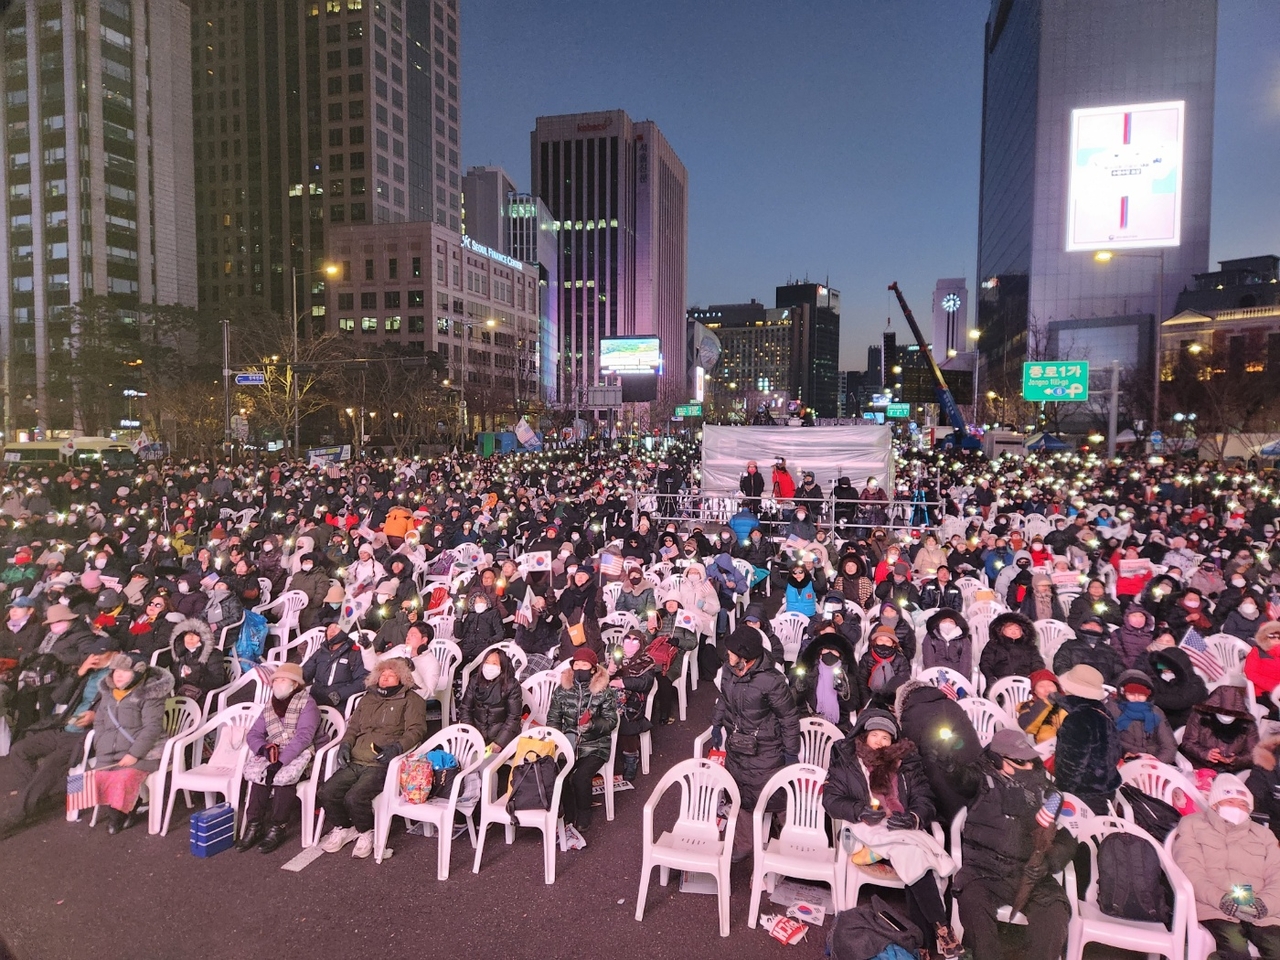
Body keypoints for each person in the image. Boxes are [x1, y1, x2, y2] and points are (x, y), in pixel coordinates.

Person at [823, 710, 961, 958]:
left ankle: (925, 944)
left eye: (885, 738)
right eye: (874, 735)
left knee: (912, 856)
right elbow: (831, 800)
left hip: (898, 829)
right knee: (915, 854)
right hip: (862, 833)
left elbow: (924, 798)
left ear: (893, 742)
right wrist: (860, 810)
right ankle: (940, 928)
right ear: (864, 737)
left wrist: (913, 817)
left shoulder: (905, 763)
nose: (879, 742)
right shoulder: (849, 761)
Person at [953, 728, 1077, 960]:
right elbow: (961, 780)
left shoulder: (1047, 792)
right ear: (999, 760)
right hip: (984, 870)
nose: (1029, 767)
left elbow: (1068, 838)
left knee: (1055, 912)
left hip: (1029, 872)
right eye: (1020, 761)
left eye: (1030, 760)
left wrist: (1050, 861)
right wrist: (948, 761)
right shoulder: (981, 780)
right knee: (972, 904)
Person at [318, 658, 427, 859]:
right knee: (327, 792)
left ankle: (366, 831)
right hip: (357, 757)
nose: (384, 678)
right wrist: (345, 744)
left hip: (382, 762)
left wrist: (397, 747)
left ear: (402, 678)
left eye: (390, 675)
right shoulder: (368, 698)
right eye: (382, 675)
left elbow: (417, 730)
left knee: (355, 797)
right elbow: (353, 727)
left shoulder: (412, 700)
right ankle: (345, 827)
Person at [709, 624, 800, 861]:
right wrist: (716, 725)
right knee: (741, 795)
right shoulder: (729, 671)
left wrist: (791, 753)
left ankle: (794, 842)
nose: (726, 655)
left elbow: (789, 718)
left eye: (731, 652)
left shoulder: (772, 680)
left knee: (777, 797)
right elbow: (723, 700)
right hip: (737, 748)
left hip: (767, 749)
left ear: (745, 657)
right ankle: (744, 843)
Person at [1173, 773, 1280, 960]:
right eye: (1230, 802)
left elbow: (1277, 875)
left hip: (1259, 911)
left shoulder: (1264, 835)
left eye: (1243, 805)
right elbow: (1189, 869)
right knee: (1235, 950)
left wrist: (1263, 905)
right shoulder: (1193, 824)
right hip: (1214, 908)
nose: (1237, 809)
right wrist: (1221, 900)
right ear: (1215, 805)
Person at [3, 646, 113, 827]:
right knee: (19, 750)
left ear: (114, 653)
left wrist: (96, 717)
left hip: (87, 736)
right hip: (66, 727)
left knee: (52, 763)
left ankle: (18, 814)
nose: (94, 658)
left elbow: (123, 712)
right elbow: (59, 697)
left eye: (99, 654)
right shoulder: (88, 673)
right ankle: (39, 799)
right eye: (92, 654)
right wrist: (78, 673)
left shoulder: (119, 675)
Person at [238, 662, 320, 854]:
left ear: (295, 684)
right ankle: (254, 824)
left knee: (283, 778)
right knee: (259, 775)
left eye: (283, 680)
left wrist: (282, 760)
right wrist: (264, 748)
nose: (277, 683)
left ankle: (278, 827)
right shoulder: (270, 705)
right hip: (274, 749)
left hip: (299, 752)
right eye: (276, 680)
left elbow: (304, 737)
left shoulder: (307, 703)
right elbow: (254, 734)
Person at [90, 653, 175, 834]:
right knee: (93, 777)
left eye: (125, 671)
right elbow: (99, 722)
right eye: (116, 671)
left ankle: (117, 816)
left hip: (145, 751)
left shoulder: (149, 694)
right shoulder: (108, 694)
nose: (119, 675)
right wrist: (100, 744)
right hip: (111, 751)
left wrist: (134, 754)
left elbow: (152, 728)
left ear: (137, 673)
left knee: (123, 777)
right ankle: (128, 808)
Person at [545, 646, 618, 850]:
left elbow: (612, 721)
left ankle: (584, 811)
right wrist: (556, 738)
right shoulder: (562, 688)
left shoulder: (603, 690)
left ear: (593, 669)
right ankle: (568, 813)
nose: (580, 668)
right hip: (568, 742)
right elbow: (553, 717)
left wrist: (593, 725)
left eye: (584, 665)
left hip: (595, 745)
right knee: (561, 774)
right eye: (576, 664)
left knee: (580, 777)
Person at [606, 629, 657, 782]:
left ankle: (630, 758)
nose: (630, 643)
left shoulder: (646, 661)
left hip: (634, 699)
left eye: (635, 640)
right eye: (627, 639)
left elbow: (646, 682)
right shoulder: (616, 657)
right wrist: (609, 671)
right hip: (612, 698)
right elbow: (601, 679)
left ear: (641, 644)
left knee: (626, 720)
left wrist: (623, 682)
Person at [458, 647, 524, 754]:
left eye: (494, 663)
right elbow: (465, 709)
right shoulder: (475, 681)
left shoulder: (512, 685)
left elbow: (514, 717)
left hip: (501, 737)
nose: (489, 667)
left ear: (502, 667)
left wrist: (499, 742)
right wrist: (471, 734)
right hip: (476, 735)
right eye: (487, 662)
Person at [1182, 685, 1260, 775]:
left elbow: (1253, 753)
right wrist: (1205, 754)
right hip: (1200, 767)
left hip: (1231, 772)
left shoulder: (1248, 724)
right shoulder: (1199, 717)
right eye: (1222, 714)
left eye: (1231, 715)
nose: (1226, 718)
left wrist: (1234, 760)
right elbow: (1188, 742)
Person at [790, 630, 857, 734]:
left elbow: (852, 706)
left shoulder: (847, 676)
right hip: (807, 722)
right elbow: (793, 701)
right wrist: (799, 688)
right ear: (819, 654)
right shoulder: (808, 671)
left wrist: (844, 693)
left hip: (838, 725)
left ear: (841, 655)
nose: (829, 653)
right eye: (826, 650)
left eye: (834, 651)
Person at [1106, 668, 1177, 764]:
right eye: (1131, 694)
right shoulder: (1113, 709)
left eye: (1141, 694)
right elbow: (1108, 740)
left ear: (1148, 695)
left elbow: (1169, 745)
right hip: (1122, 761)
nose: (1136, 698)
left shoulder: (1156, 712)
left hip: (1154, 763)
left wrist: (1155, 763)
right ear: (1123, 693)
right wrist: (1125, 755)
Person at [302, 623, 369, 711]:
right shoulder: (321, 652)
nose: (332, 630)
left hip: (339, 703)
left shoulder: (354, 652)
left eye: (337, 627)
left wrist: (339, 695)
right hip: (315, 699)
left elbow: (363, 680)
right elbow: (306, 672)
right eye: (329, 627)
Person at [979, 612, 1045, 689]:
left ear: (1023, 632)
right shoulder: (993, 645)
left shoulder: (1030, 647)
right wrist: (990, 677)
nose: (1013, 632)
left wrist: (1033, 677)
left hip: (1025, 683)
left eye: (1017, 629)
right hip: (999, 682)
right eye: (1010, 629)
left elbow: (1038, 663)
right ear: (1001, 630)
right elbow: (986, 663)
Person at [1052, 615, 1124, 685]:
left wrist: (1110, 686)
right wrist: (1073, 681)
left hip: (1103, 690)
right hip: (1076, 687)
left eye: (1097, 625)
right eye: (1088, 623)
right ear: (1081, 626)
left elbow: (1119, 672)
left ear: (1102, 629)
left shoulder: (1110, 650)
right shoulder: (1069, 645)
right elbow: (1060, 666)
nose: (1092, 626)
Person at [168, 617, 226, 702]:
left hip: (206, 698)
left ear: (203, 638)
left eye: (195, 635)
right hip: (183, 694)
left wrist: (192, 676)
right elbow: (175, 678)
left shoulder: (214, 654)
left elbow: (217, 681)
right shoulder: (181, 653)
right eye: (187, 634)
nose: (190, 638)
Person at [1016, 669, 1069, 745]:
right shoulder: (1029, 705)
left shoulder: (1068, 701)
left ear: (1057, 688)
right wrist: (1046, 702)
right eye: (1041, 686)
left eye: (1050, 685)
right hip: (1048, 747)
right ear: (1034, 691)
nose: (1047, 690)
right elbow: (1027, 727)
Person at [921, 609, 975, 681]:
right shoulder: (930, 637)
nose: (947, 624)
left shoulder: (964, 640)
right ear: (938, 622)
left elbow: (965, 663)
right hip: (935, 675)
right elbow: (928, 661)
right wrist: (936, 678)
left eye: (951, 621)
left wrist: (959, 680)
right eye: (944, 621)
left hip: (957, 676)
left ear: (957, 623)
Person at [1244, 621, 1280, 719]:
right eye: (1272, 636)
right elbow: (1250, 673)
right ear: (1265, 637)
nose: (1276, 639)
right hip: (1262, 691)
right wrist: (1274, 687)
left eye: (1279, 636)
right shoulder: (1257, 651)